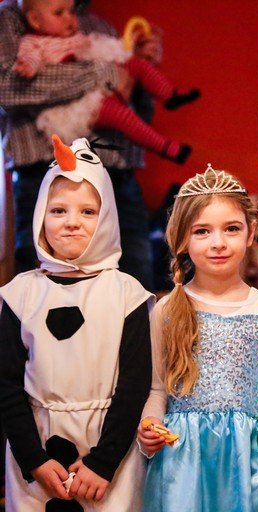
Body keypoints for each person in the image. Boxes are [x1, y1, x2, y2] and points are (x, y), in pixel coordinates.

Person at [0, 135, 153, 511]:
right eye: (58, 210)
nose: (71, 223)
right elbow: (6, 384)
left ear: (107, 219)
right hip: (36, 455)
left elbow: (135, 386)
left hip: (110, 458)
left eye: (87, 212)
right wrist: (34, 460)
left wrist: (103, 462)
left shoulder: (127, 294)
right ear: (40, 215)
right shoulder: (19, 294)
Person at [137, 164, 258, 512]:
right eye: (202, 231)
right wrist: (149, 426)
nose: (218, 243)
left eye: (231, 229)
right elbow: (156, 390)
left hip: (248, 467)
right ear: (182, 238)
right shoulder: (166, 311)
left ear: (251, 232)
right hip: (181, 466)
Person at [0, 0, 159, 286]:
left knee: (134, 279)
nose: (68, 17)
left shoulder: (100, 26)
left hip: (117, 173)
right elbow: (7, 89)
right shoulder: (11, 17)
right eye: (59, 12)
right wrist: (105, 73)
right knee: (44, 284)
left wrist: (142, 71)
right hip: (46, 172)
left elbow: (134, 108)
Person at [15, 0, 198, 164]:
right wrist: (28, 66)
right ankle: (164, 146)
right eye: (59, 13)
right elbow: (29, 59)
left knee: (137, 65)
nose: (69, 18)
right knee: (121, 115)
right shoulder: (32, 41)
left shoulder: (80, 34)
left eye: (71, 12)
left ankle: (170, 94)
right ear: (35, 20)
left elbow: (106, 52)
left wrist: (130, 48)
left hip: (105, 103)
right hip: (78, 107)